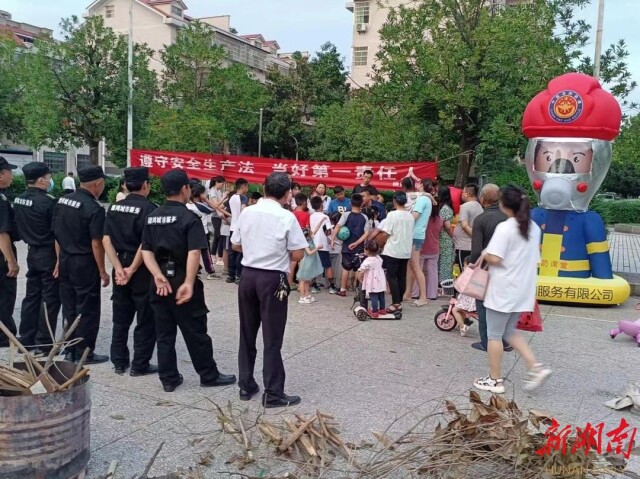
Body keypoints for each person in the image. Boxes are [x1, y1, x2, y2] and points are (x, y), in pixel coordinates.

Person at [141, 169, 236, 392]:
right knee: (195, 331)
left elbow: (146, 251)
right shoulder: (188, 218)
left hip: (159, 282)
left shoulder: (152, 216)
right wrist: (188, 282)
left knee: (164, 334)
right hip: (183, 278)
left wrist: (157, 276)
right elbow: (194, 252)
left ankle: (169, 379)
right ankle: (208, 375)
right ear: (185, 189)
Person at [231, 172, 307, 408]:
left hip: (248, 276)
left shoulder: (247, 212)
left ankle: (246, 384)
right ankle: (273, 393)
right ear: (287, 194)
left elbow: (235, 244)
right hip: (273, 278)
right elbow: (297, 253)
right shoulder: (286, 217)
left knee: (247, 332)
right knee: (272, 337)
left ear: (263, 189)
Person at [473, 185, 551, 394]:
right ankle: (535, 367)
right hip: (522, 288)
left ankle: (494, 380)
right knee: (509, 331)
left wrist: (486, 253)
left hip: (503, 288)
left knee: (495, 334)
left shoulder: (506, 228)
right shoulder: (533, 227)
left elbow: (496, 258)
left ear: (504, 205)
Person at [103, 166, 158, 376]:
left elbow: (106, 239)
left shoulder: (114, 207)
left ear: (125, 185)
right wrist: (132, 269)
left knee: (121, 317)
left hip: (119, 265)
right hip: (141, 268)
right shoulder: (150, 209)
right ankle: (139, 365)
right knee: (145, 318)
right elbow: (145, 243)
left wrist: (118, 268)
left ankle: (118, 361)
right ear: (146, 185)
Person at [53, 166, 110, 364]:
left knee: (69, 306)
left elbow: (57, 235)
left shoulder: (62, 201)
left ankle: (69, 350)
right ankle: (85, 352)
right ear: (99, 183)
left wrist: (58, 261)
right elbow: (96, 243)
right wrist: (102, 270)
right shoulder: (94, 208)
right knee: (87, 308)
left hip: (66, 259)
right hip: (84, 263)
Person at [13, 162, 61, 351]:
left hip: (32, 252)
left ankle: (26, 337)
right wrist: (59, 260)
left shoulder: (19, 199)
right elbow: (57, 234)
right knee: (50, 298)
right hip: (48, 252)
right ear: (41, 180)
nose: (50, 181)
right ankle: (44, 342)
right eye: (49, 178)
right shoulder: (49, 202)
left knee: (32, 296)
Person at [467, 184, 509, 353]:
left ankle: (486, 341)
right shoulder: (508, 217)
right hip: (508, 268)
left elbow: (477, 249)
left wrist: (472, 263)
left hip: (487, 268)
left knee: (483, 305)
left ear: (482, 199)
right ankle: (505, 340)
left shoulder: (481, 219)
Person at [331, 193, 371, 297]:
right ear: (362, 203)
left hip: (346, 246)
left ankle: (343, 289)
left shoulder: (346, 215)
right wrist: (357, 243)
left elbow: (338, 227)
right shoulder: (364, 217)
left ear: (350, 202)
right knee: (358, 268)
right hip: (359, 247)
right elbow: (366, 233)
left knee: (346, 268)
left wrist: (332, 239)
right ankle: (360, 291)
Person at [380, 192, 414, 314]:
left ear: (394, 201)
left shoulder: (392, 214)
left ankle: (396, 303)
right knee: (401, 276)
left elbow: (386, 232)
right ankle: (398, 301)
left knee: (391, 276)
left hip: (393, 249)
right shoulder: (410, 216)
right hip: (405, 250)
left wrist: (379, 243)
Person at [402, 178, 432, 307]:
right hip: (417, 234)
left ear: (422, 185)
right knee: (411, 266)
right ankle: (408, 293)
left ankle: (423, 296)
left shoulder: (422, 200)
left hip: (415, 235)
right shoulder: (425, 198)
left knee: (415, 265)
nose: (417, 185)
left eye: (419, 183)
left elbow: (414, 216)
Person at [0, 156, 18, 347]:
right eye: (9, 172)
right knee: (5, 295)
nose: (12, 176)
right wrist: (11, 261)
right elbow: (2, 233)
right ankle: (4, 336)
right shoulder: (1, 199)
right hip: (0, 257)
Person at [186, 182, 219, 280]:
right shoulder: (200, 205)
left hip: (191, 231)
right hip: (202, 232)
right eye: (203, 194)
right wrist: (206, 200)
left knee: (191, 251)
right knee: (205, 253)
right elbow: (214, 208)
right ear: (200, 194)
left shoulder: (188, 204)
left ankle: (196, 269)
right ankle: (210, 271)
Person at [309, 196, 338, 294]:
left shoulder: (311, 216)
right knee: (327, 266)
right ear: (321, 205)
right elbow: (328, 231)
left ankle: (314, 286)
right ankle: (332, 287)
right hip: (322, 245)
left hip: (313, 244)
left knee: (313, 265)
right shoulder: (324, 217)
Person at [453, 183, 483, 268]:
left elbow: (464, 225)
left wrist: (474, 236)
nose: (461, 194)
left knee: (463, 272)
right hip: (472, 246)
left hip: (463, 245)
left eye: (463, 192)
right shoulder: (479, 206)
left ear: (468, 194)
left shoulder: (465, 206)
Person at [418, 202, 443, 300]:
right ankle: (432, 294)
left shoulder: (422, 218)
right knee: (433, 272)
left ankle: (415, 292)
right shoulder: (440, 219)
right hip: (434, 248)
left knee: (417, 270)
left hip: (421, 248)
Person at [227, 178, 249, 284]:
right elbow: (243, 209)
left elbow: (224, 209)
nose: (247, 189)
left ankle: (230, 275)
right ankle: (238, 275)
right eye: (247, 186)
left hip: (232, 226)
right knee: (240, 252)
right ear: (243, 186)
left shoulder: (232, 197)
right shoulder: (243, 197)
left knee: (232, 252)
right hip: (240, 227)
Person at [357, 240, 386, 318]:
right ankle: (382, 309)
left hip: (372, 281)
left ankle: (374, 311)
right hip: (380, 280)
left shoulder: (367, 261)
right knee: (381, 295)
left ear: (366, 250)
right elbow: (375, 257)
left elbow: (362, 271)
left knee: (373, 295)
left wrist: (359, 277)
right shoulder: (379, 258)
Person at [297, 227, 323, 304]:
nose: (312, 233)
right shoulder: (305, 243)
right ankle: (302, 297)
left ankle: (307, 295)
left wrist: (321, 221)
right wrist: (317, 248)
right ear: (308, 234)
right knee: (303, 280)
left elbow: (316, 229)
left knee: (307, 280)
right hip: (306, 262)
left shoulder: (310, 239)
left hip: (310, 262)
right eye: (310, 232)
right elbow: (309, 253)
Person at [207, 176, 229, 265]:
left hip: (219, 215)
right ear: (217, 182)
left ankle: (216, 257)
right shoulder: (213, 191)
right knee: (218, 236)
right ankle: (213, 256)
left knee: (218, 236)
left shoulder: (218, 191)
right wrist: (224, 198)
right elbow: (215, 205)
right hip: (216, 216)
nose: (222, 185)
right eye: (222, 184)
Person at [437, 186, 455, 292]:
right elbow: (447, 226)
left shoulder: (438, 207)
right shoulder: (446, 209)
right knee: (446, 262)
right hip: (446, 238)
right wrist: (452, 236)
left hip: (438, 237)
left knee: (439, 262)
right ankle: (446, 286)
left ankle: (438, 285)